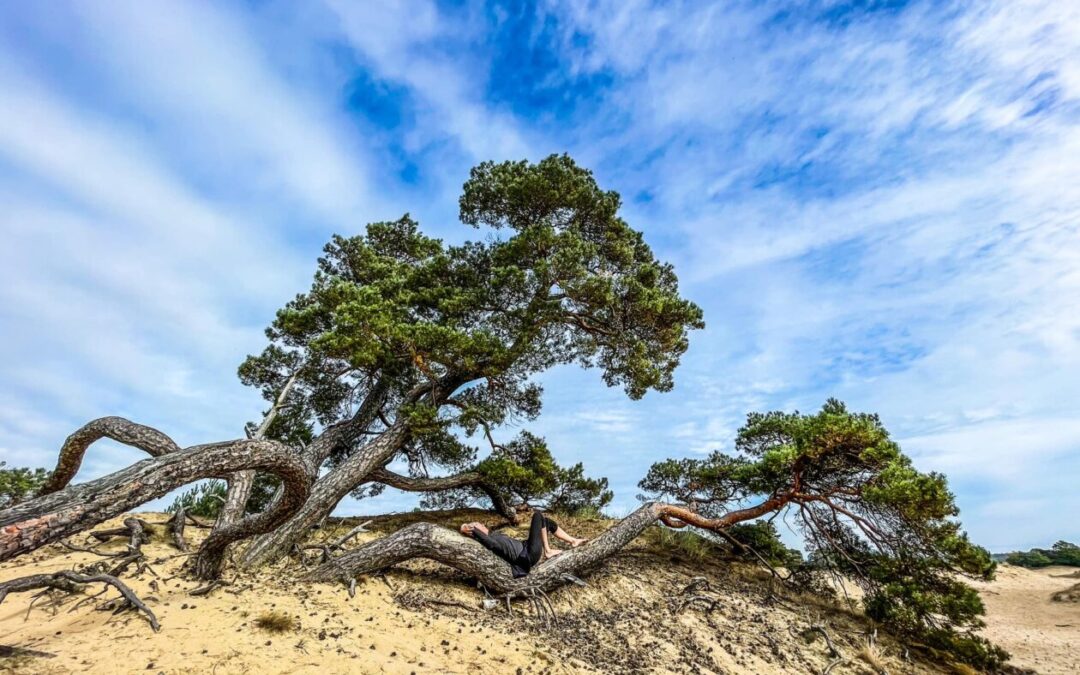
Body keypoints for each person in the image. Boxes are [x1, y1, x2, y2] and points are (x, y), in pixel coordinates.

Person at [460, 511, 587, 578]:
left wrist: (472, 529)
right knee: (537, 515)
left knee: (546, 522)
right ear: (476, 532)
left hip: (528, 547)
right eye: (477, 525)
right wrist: (472, 530)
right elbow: (490, 544)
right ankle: (548, 551)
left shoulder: (495, 534)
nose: (481, 524)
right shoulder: (489, 540)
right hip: (528, 554)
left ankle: (572, 540)